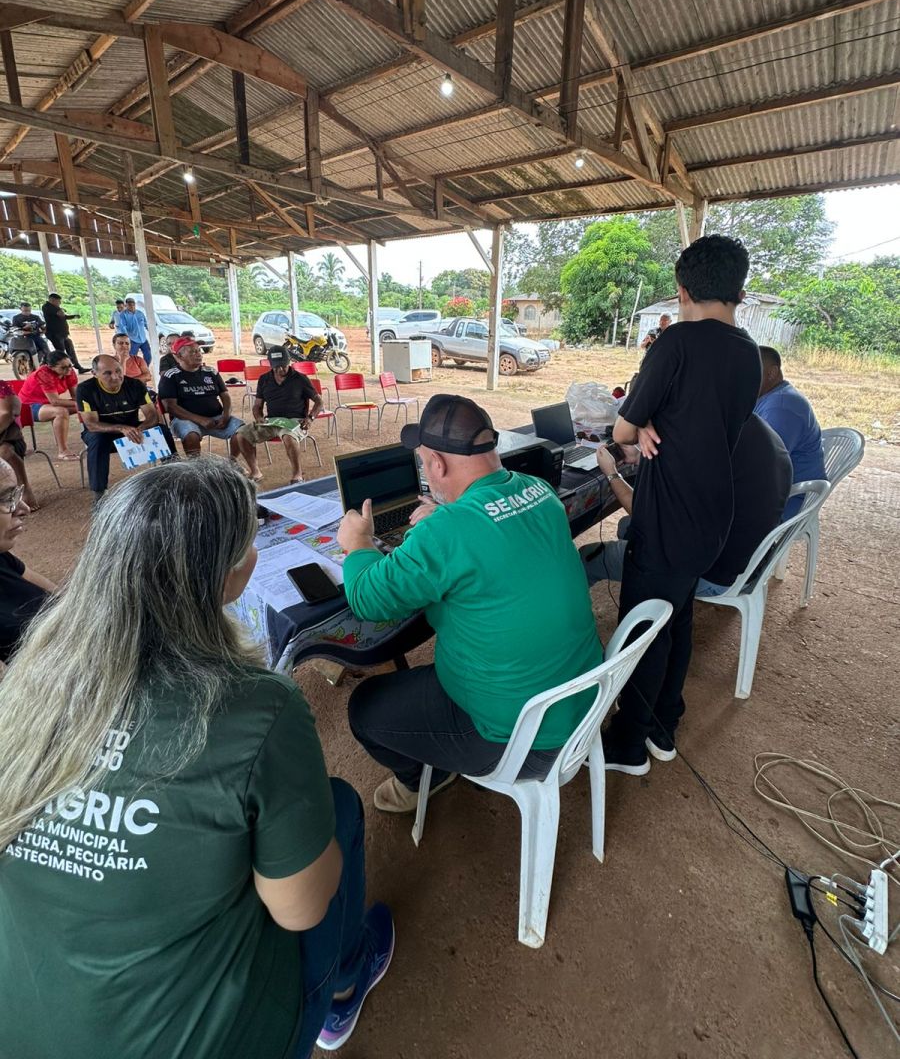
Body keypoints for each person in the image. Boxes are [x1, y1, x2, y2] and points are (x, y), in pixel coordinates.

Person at [0, 457, 393, 1058]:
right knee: (338, 807)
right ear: (235, 575)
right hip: (210, 1040)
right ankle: (340, 988)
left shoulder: (24, 681)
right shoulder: (257, 706)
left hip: (28, 1027)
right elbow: (300, 910)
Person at [339, 394, 603, 814]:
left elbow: (369, 600)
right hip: (582, 707)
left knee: (364, 708)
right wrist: (447, 516)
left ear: (437, 466)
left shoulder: (447, 531)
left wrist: (357, 545)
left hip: (516, 739)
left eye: (424, 461)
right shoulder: (538, 490)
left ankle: (423, 779)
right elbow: (490, 533)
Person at [603, 235, 762, 774]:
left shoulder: (677, 342)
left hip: (667, 516)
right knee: (677, 617)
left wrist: (642, 420)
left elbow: (622, 428)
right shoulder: (748, 353)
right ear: (737, 290)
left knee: (643, 630)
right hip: (713, 513)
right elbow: (699, 416)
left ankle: (627, 746)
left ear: (682, 289)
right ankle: (664, 727)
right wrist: (655, 419)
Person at [582, 414, 792, 597]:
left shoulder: (695, 445)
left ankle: (574, 636)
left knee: (585, 558)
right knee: (626, 527)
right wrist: (640, 456)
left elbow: (647, 517)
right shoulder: (754, 427)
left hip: (713, 576)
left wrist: (612, 473)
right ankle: (644, 585)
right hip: (750, 562)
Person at [158, 337, 257, 472]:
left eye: (199, 351)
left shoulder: (211, 372)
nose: (198, 354)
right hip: (185, 420)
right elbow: (171, 407)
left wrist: (226, 416)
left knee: (243, 431)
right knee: (191, 435)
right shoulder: (171, 376)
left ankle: (231, 463)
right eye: (192, 352)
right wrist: (200, 420)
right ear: (179, 356)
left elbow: (225, 396)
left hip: (216, 418)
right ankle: (197, 469)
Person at [78, 355, 166, 500]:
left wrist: (141, 428)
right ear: (95, 374)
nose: (115, 376)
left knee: (162, 431)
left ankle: (173, 473)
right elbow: (91, 424)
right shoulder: (86, 389)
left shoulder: (135, 385)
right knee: (98, 441)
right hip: (102, 432)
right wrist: (121, 428)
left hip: (132, 430)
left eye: (118, 371)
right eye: (107, 373)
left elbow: (152, 415)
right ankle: (99, 494)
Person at [755, 346, 826, 519]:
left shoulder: (781, 406)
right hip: (775, 492)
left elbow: (763, 465)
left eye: (750, 371)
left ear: (771, 374)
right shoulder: (769, 397)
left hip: (789, 501)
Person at [0, 457, 55, 671]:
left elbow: (60, 597)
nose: (23, 509)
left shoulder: (3, 558)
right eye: (6, 499)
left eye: (15, 495)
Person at [238, 346, 323, 483]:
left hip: (295, 421)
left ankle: (297, 474)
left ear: (289, 362)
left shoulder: (300, 379)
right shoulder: (264, 379)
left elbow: (319, 401)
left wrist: (310, 418)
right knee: (241, 435)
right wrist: (259, 418)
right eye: (276, 367)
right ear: (271, 365)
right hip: (272, 421)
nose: (280, 369)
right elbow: (257, 406)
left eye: (283, 366)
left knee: (288, 437)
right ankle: (255, 471)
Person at [19, 351, 81, 461]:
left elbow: (76, 396)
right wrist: (79, 403)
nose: (68, 369)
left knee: (87, 406)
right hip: (28, 407)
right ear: (50, 367)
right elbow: (55, 401)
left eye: (70, 365)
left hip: (46, 404)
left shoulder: (69, 372)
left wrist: (83, 402)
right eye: (63, 368)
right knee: (60, 412)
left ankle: (94, 441)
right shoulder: (43, 373)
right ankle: (63, 451)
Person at [0, 380, 38, 509]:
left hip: (8, 437)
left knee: (6, 451)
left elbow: (8, 413)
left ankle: (24, 489)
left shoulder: (2, 387)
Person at [41, 293, 87, 372]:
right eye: (58, 301)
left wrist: (73, 316)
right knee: (61, 352)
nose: (59, 303)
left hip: (63, 334)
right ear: (52, 300)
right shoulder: (47, 307)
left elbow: (64, 317)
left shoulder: (56, 308)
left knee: (70, 349)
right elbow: (61, 314)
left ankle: (77, 366)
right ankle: (62, 368)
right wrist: (60, 309)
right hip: (55, 334)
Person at [113, 296, 151, 364]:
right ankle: (133, 371)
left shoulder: (140, 313)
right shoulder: (123, 315)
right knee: (132, 357)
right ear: (126, 305)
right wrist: (126, 338)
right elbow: (123, 327)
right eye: (130, 305)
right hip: (132, 340)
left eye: (133, 305)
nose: (132, 306)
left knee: (148, 355)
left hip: (143, 338)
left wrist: (150, 330)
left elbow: (145, 323)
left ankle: (145, 368)